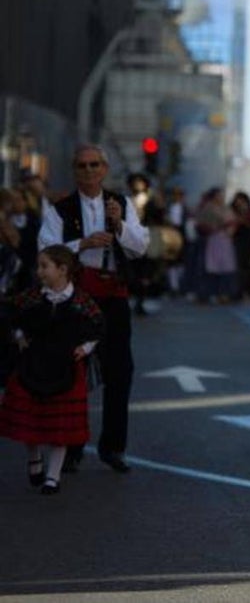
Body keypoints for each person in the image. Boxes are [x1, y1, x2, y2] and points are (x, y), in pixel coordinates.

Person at [38, 144, 150, 473]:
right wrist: (81, 245)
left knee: (120, 371)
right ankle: (70, 448)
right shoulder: (60, 209)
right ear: (75, 171)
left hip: (113, 294)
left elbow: (140, 247)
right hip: (76, 296)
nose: (88, 171)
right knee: (73, 370)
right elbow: (44, 250)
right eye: (82, 166)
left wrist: (119, 226)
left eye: (94, 165)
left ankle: (113, 447)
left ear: (104, 169)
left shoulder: (122, 204)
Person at [0, 246, 104, 494]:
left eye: (45, 266)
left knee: (61, 425)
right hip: (33, 364)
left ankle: (53, 476)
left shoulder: (80, 300)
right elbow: (9, 313)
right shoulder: (34, 296)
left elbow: (99, 324)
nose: (39, 271)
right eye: (39, 266)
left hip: (65, 368)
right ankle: (34, 456)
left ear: (63, 270)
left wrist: (86, 347)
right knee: (30, 416)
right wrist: (18, 334)